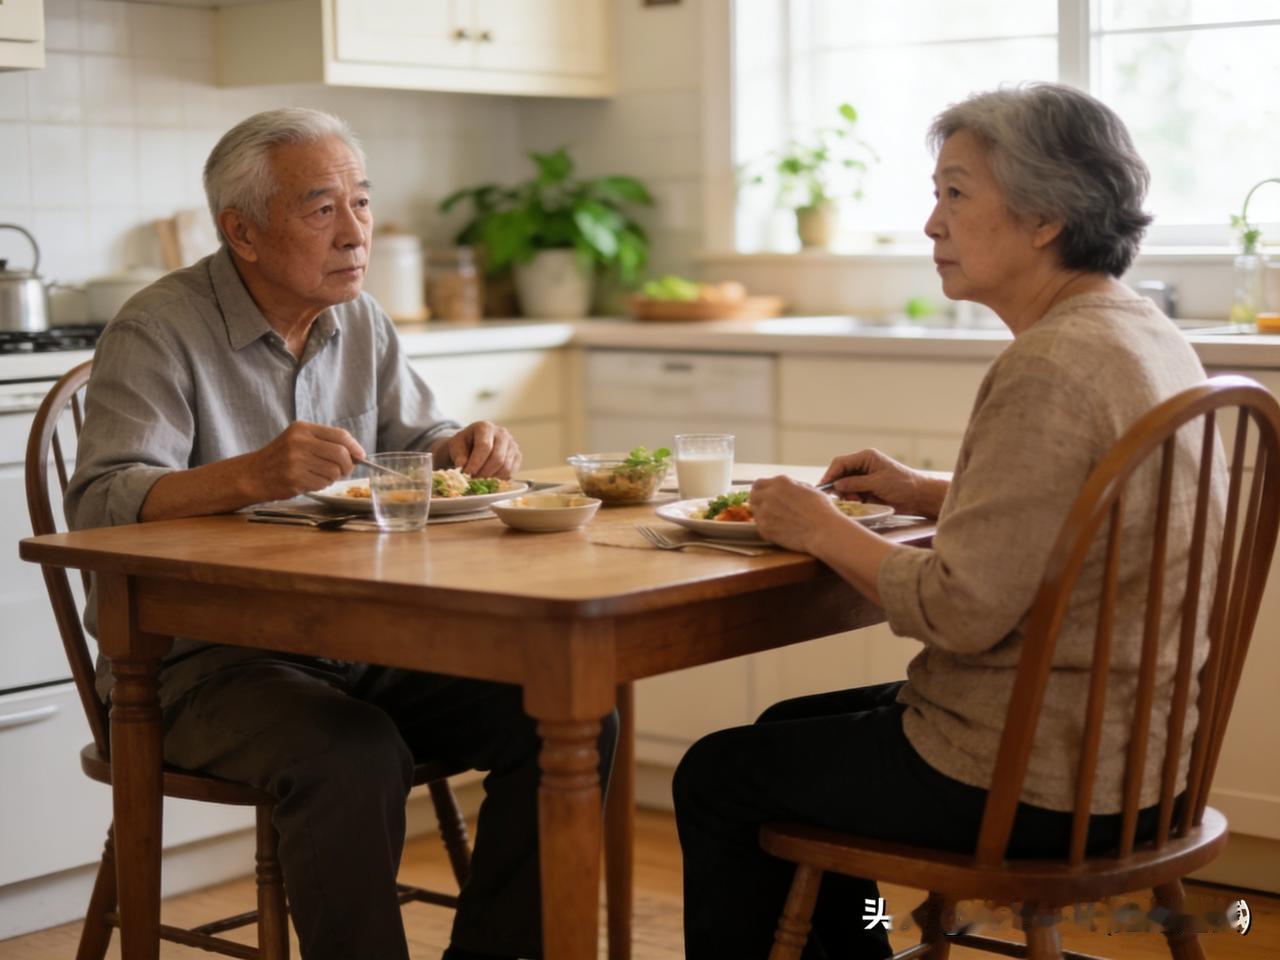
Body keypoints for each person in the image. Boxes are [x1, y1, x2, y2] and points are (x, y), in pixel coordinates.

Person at [672, 83, 1225, 959]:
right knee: (782, 731)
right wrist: (928, 491)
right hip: (1144, 760)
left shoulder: (1051, 363)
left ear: (1044, 216)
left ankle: (853, 947)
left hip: (1036, 774)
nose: (932, 223)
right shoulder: (1139, 331)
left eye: (955, 193)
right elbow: (1085, 508)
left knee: (718, 775)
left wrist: (819, 525)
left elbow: (959, 611)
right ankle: (861, 948)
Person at [65, 107, 616, 960]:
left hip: (354, 638)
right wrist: (249, 473)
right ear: (241, 232)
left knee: (567, 712)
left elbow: (423, 443)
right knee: (349, 753)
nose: (356, 231)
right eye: (323, 209)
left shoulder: (361, 321)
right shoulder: (157, 329)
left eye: (361, 202)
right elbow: (98, 501)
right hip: (193, 665)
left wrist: (465, 445)